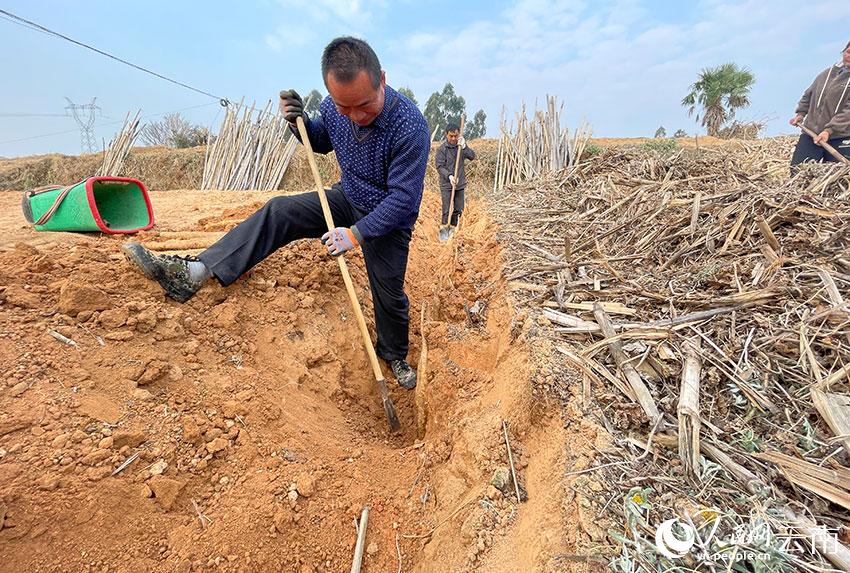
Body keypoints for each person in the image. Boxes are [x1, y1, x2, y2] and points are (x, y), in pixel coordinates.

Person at [121, 37, 430, 390]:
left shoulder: (410, 126)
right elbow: (320, 141)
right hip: (347, 197)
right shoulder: (335, 107)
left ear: (383, 80)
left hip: (388, 215)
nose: (356, 117)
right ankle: (197, 270)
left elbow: (403, 200)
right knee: (280, 210)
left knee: (388, 290)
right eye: (346, 109)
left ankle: (394, 355)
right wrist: (298, 123)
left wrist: (356, 234)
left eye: (365, 106)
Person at [789, 40, 850, 167]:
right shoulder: (826, 74)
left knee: (838, 178)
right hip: (811, 134)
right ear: (843, 52)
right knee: (798, 172)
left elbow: (847, 112)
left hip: (840, 137)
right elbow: (808, 94)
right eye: (848, 52)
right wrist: (800, 114)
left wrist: (829, 130)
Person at [434, 124, 476, 241]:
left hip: (460, 183)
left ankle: (453, 229)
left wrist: (465, 147)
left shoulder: (460, 147)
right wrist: (449, 176)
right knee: (446, 209)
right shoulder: (442, 150)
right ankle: (444, 231)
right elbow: (439, 166)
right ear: (446, 135)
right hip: (446, 184)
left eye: (455, 136)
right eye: (451, 136)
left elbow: (472, 156)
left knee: (458, 209)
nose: (453, 139)